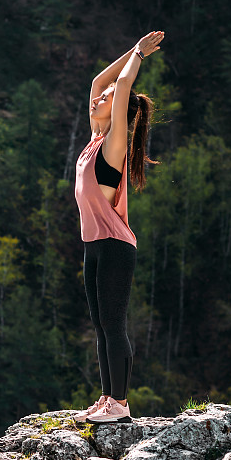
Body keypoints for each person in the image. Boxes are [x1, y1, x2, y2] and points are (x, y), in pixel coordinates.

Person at [74, 30, 165, 424]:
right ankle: (108, 397)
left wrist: (140, 56)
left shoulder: (113, 143)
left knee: (114, 324)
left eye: (107, 100)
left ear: (116, 111)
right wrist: (130, 50)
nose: (97, 98)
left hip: (114, 246)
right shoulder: (95, 139)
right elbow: (99, 81)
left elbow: (123, 84)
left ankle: (120, 406)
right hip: (94, 246)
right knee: (100, 325)